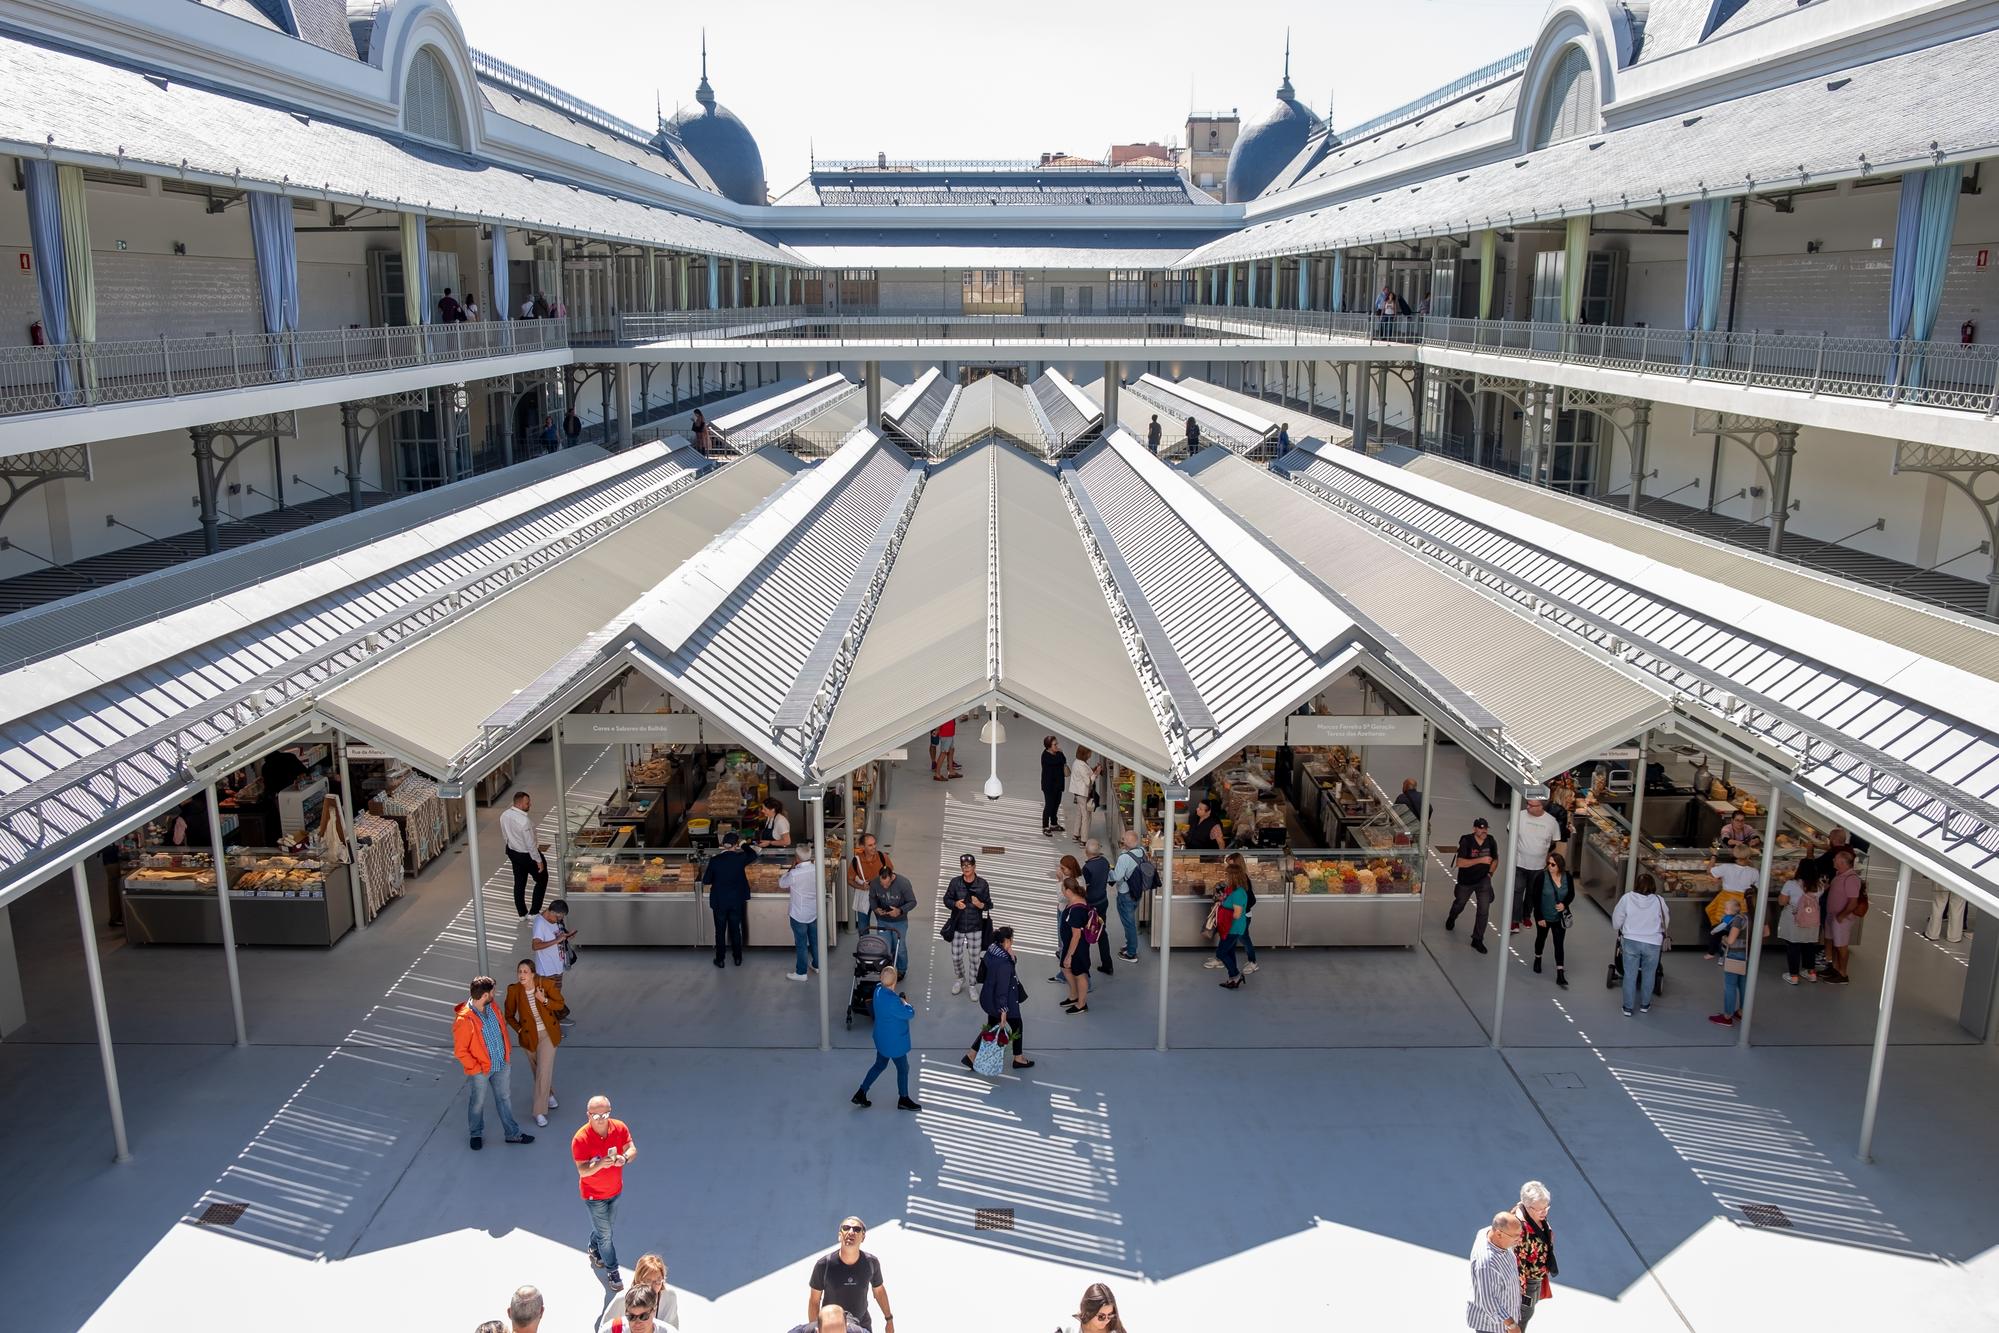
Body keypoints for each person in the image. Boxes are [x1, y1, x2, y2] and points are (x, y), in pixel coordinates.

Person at [452, 975, 533, 1150]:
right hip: (481, 1071)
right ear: (484, 996)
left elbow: (501, 1030)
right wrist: (476, 1068)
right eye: (493, 992)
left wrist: (506, 1054)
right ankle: (476, 1133)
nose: (495, 994)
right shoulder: (464, 1020)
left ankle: (512, 1134)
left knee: (504, 1099)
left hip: (501, 1064)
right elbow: (460, 1051)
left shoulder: (493, 1006)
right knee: (477, 1102)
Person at [573, 1095, 635, 1288]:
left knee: (604, 1229)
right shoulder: (580, 1139)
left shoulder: (619, 1127)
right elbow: (582, 1170)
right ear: (588, 1115)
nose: (601, 1118)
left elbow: (632, 1148)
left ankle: (593, 1247)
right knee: (606, 1235)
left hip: (615, 1190)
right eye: (596, 1115)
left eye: (605, 1114)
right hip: (594, 1195)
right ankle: (612, 1270)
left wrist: (624, 1158)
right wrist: (599, 1165)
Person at [808, 1217, 898, 1332]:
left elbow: (879, 1291)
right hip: (832, 1327)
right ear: (840, 1235)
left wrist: (889, 1320)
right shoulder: (824, 1265)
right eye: (846, 1228)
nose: (851, 1232)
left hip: (861, 1326)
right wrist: (815, 1328)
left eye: (856, 1229)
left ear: (863, 1237)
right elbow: (814, 1301)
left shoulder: (871, 1262)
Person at [852, 965, 922, 1110]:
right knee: (903, 1069)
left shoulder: (878, 990)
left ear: (881, 980)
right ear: (895, 983)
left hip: (882, 1040)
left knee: (879, 1065)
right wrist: (905, 1002)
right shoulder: (894, 1003)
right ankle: (903, 1099)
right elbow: (909, 1014)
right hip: (894, 1044)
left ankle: (861, 1092)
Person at [504, 958, 561, 1127]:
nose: (522, 975)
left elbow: (560, 1004)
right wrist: (519, 1029)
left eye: (525, 972)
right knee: (538, 1071)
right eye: (519, 971)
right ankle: (548, 1094)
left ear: (533, 974)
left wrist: (544, 1000)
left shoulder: (546, 985)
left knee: (543, 1070)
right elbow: (509, 1015)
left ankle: (538, 1111)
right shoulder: (514, 990)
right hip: (529, 1036)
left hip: (548, 1034)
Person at [966, 925, 1032, 1070]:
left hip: (989, 996)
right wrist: (1003, 1011)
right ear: (1006, 941)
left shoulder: (992, 951)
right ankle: (1018, 1058)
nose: (1013, 942)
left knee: (991, 1027)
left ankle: (971, 1055)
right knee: (1017, 1025)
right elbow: (1003, 988)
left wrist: (1011, 955)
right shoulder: (1003, 964)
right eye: (1011, 939)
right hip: (1004, 999)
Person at [1611, 872, 1671, 1017]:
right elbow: (1665, 922)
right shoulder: (1659, 901)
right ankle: (1645, 1004)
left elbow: (1616, 922)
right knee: (1649, 974)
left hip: (1631, 941)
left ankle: (1628, 1007)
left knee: (1630, 975)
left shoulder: (1627, 898)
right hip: (1652, 943)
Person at [1509, 787, 1563, 934]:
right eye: (1527, 804)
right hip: (1519, 863)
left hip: (1538, 866)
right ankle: (1515, 920)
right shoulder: (1519, 815)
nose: (1528, 807)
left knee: (1532, 893)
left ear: (1541, 806)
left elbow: (1554, 842)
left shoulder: (1551, 822)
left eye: (1531, 805)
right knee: (1517, 891)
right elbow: (1510, 832)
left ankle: (1526, 916)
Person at [701, 832, 757, 967]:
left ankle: (720, 960)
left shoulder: (715, 861)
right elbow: (753, 855)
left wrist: (717, 878)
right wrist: (745, 845)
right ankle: (738, 958)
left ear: (723, 845)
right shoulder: (740, 858)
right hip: (736, 901)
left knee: (720, 931)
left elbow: (706, 880)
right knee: (735, 930)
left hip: (720, 901)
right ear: (736, 845)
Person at [1467, 1210, 1524, 1333]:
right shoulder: (1487, 1263)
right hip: (1493, 1327)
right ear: (1498, 1234)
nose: (1519, 1240)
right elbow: (1489, 1301)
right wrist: (1511, 1326)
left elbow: (1499, 1223)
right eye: (1515, 1236)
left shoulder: (1486, 1232)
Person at [1447, 816, 1498, 953]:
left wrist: (1490, 874)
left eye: (1485, 828)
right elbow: (1460, 863)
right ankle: (1452, 916)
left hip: (1483, 880)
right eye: (1481, 828)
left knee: (1483, 910)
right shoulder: (1466, 841)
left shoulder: (1491, 841)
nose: (1484, 831)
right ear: (1474, 829)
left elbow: (1495, 860)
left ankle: (1477, 939)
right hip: (1466, 881)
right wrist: (1481, 860)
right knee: (1460, 903)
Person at [942, 854, 990, 995]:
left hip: (975, 926)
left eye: (968, 866)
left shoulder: (982, 884)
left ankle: (972, 985)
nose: (966, 868)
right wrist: (955, 904)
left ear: (974, 867)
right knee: (956, 956)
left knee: (974, 959)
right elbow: (946, 899)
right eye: (963, 866)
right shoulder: (955, 882)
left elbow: (988, 904)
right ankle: (960, 978)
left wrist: (979, 904)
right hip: (958, 925)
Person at [1512, 1184, 1557, 1330]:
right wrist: (1521, 1290)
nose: (1545, 1212)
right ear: (1529, 1207)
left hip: (1538, 1276)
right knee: (1523, 1316)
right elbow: (1517, 1260)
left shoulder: (1535, 1216)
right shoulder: (1520, 1227)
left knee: (1526, 1313)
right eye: (1540, 1209)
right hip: (1527, 1282)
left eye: (1546, 1207)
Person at [600, 1254, 682, 1333]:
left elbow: (673, 1325)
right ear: (638, 1279)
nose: (653, 1287)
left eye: (658, 1281)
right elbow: (606, 1326)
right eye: (648, 1281)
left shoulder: (670, 1297)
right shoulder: (623, 1298)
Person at [500, 791, 550, 918]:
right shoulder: (524, 821)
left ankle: (522, 913)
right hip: (526, 855)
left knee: (519, 882)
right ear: (520, 804)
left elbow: (505, 835)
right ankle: (534, 911)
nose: (530, 805)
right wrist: (539, 861)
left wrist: (511, 845)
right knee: (542, 879)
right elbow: (531, 845)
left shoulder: (504, 815)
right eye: (527, 803)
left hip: (513, 852)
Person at [1531, 850, 1575, 988]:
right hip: (1544, 916)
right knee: (1541, 938)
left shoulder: (1567, 877)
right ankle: (1538, 957)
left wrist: (1564, 904)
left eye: (1553, 864)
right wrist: (1539, 917)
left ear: (1559, 866)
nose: (1550, 866)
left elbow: (1571, 894)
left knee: (1559, 943)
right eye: (1548, 864)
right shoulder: (1541, 877)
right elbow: (1535, 898)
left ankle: (1560, 972)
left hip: (1559, 918)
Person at [1775, 862, 1824, 984]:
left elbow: (1782, 902)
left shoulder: (1791, 884)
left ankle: (1794, 976)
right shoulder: (1820, 886)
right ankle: (1811, 973)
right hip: (1812, 918)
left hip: (1793, 918)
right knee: (1809, 945)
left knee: (1793, 945)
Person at [1109, 828, 1152, 963]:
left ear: (1126, 842)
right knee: (1130, 920)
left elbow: (1117, 876)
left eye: (1123, 839)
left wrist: (1108, 872)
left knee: (1129, 924)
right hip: (1137, 892)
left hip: (1125, 894)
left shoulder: (1124, 858)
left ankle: (1131, 953)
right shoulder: (1142, 851)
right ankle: (1129, 945)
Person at [1822, 846, 1863, 984]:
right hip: (1832, 915)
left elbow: (1853, 902)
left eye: (1835, 859)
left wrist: (1842, 915)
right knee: (1831, 941)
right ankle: (1832, 967)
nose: (1833, 861)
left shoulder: (1851, 878)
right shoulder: (1839, 875)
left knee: (1841, 945)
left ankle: (1842, 974)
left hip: (1841, 918)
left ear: (1842, 863)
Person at [1709, 897, 1752, 1026]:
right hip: (1746, 955)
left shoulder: (1737, 920)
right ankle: (1742, 1012)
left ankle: (1727, 1016)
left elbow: (1731, 940)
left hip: (1734, 955)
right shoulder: (1748, 918)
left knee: (1730, 986)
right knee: (1743, 985)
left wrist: (1724, 939)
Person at [869, 860, 917, 973]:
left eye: (887, 884)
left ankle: (901, 970)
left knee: (899, 948)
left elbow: (913, 902)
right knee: (884, 947)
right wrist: (875, 908)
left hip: (899, 921)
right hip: (882, 920)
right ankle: (887, 970)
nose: (884, 887)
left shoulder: (903, 883)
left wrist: (899, 911)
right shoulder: (875, 883)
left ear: (892, 877)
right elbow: (872, 897)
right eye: (882, 884)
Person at [530, 899, 575, 1021]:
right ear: (552, 912)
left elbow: (557, 934)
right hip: (547, 970)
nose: (559, 920)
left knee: (556, 996)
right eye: (559, 917)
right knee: (548, 999)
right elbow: (535, 945)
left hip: (557, 967)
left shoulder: (554, 920)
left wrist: (566, 935)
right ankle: (551, 1025)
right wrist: (557, 940)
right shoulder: (540, 924)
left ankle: (557, 1019)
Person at [781, 845, 819, 982]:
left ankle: (801, 972)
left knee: (802, 944)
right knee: (815, 940)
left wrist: (791, 868)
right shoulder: (817, 869)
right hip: (814, 911)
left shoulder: (795, 874)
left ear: (796, 858)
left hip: (799, 914)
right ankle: (817, 965)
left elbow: (782, 883)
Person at [1058, 878, 1093, 1014]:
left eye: (1062, 889)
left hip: (1077, 947)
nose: (1061, 892)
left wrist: (1069, 955)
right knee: (1065, 968)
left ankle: (1081, 1004)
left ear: (1068, 890)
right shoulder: (1073, 902)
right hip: (1070, 944)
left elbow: (1076, 935)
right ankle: (1074, 995)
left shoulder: (1077, 909)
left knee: (1079, 973)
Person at [1082, 839, 1114, 976]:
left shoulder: (1087, 868)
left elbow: (1085, 888)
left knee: (1087, 934)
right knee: (1101, 932)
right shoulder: (1105, 862)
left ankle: (1085, 966)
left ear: (1086, 851)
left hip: (1091, 905)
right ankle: (1107, 964)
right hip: (1103, 901)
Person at [1214, 870, 1250, 989]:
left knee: (1221, 953)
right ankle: (1232, 980)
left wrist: (1223, 911)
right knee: (1229, 952)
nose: (1226, 878)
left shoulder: (1238, 893)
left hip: (1233, 928)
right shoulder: (1234, 891)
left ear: (1233, 878)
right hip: (1229, 928)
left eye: (1227, 875)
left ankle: (1236, 975)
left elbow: (1237, 914)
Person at [848, 833, 889, 933]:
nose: (874, 847)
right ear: (862, 847)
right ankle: (865, 946)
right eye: (870, 845)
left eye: (874, 844)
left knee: (883, 924)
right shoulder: (856, 861)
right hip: (864, 896)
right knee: (863, 926)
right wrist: (861, 886)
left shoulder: (882, 857)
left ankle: (884, 944)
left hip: (880, 896)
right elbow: (849, 879)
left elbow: (890, 874)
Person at [1060, 1282, 1126, 1333]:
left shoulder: (1116, 1330)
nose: (1106, 1320)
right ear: (1089, 1312)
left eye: (1110, 1315)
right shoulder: (1070, 1328)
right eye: (1101, 1316)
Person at [1068, 745, 1101, 845]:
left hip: (1078, 793)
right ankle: (1084, 839)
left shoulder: (1077, 762)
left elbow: (1087, 774)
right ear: (1085, 753)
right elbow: (1088, 781)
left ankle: (1075, 834)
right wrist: (1097, 773)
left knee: (1079, 814)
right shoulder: (1081, 765)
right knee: (1086, 816)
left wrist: (1094, 770)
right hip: (1083, 793)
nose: (1091, 754)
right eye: (1089, 752)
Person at [1040, 735, 1069, 836]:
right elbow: (1058, 761)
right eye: (1055, 744)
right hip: (1049, 786)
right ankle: (1045, 826)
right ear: (1048, 746)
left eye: (1057, 744)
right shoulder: (1046, 756)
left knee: (1056, 804)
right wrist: (1060, 754)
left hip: (1058, 784)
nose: (1057, 746)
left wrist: (1060, 754)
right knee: (1049, 805)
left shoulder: (1058, 754)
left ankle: (1053, 823)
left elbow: (1064, 760)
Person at [933, 716, 960, 780]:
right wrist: (937, 730)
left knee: (951, 750)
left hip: (950, 732)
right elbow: (940, 718)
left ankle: (951, 771)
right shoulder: (943, 708)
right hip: (946, 733)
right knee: (944, 753)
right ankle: (937, 774)